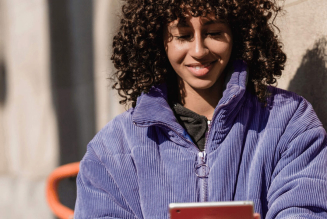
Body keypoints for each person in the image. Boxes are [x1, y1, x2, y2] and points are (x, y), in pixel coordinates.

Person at [74, 0, 327, 218]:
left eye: (214, 32)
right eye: (183, 36)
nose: (198, 51)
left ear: (238, 33)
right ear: (159, 39)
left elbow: (305, 209)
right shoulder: (110, 150)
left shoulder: (290, 121)